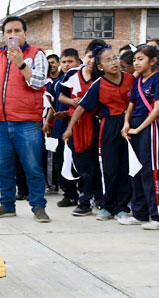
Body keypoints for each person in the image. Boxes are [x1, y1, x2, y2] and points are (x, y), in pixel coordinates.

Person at [0, 15, 50, 222]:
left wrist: (21, 64)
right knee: (2, 167)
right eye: (8, 32)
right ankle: (7, 204)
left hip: (27, 121)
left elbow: (38, 83)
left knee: (32, 167)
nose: (13, 35)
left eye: (17, 31)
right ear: (3, 36)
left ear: (25, 33)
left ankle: (38, 206)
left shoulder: (36, 54)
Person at [63, 45, 135, 221]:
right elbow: (81, 107)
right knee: (110, 169)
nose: (114, 62)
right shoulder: (99, 84)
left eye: (115, 58)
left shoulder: (130, 79)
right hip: (109, 125)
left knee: (127, 168)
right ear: (101, 66)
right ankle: (107, 206)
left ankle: (122, 207)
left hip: (128, 124)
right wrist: (69, 128)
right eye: (108, 60)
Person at [121, 45, 159, 230]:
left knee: (151, 171)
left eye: (140, 59)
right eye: (135, 59)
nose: (136, 62)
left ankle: (158, 216)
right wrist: (127, 124)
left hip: (149, 127)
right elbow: (130, 105)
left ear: (153, 61)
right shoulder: (138, 81)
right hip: (134, 125)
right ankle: (140, 213)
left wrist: (139, 128)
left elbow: (158, 110)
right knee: (136, 170)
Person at [60, 39, 105, 217]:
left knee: (96, 164)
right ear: (84, 56)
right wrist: (72, 101)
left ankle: (93, 199)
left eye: (96, 58)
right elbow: (62, 96)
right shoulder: (73, 74)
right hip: (76, 125)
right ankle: (87, 198)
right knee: (82, 165)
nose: (92, 60)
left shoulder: (102, 78)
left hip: (95, 124)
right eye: (89, 56)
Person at [43, 48, 81, 208]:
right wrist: (47, 122)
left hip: (78, 126)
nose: (66, 65)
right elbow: (52, 105)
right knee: (60, 160)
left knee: (78, 160)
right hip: (59, 127)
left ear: (78, 62)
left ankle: (84, 193)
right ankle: (69, 194)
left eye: (70, 61)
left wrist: (67, 112)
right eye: (64, 62)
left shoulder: (82, 79)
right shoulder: (58, 82)